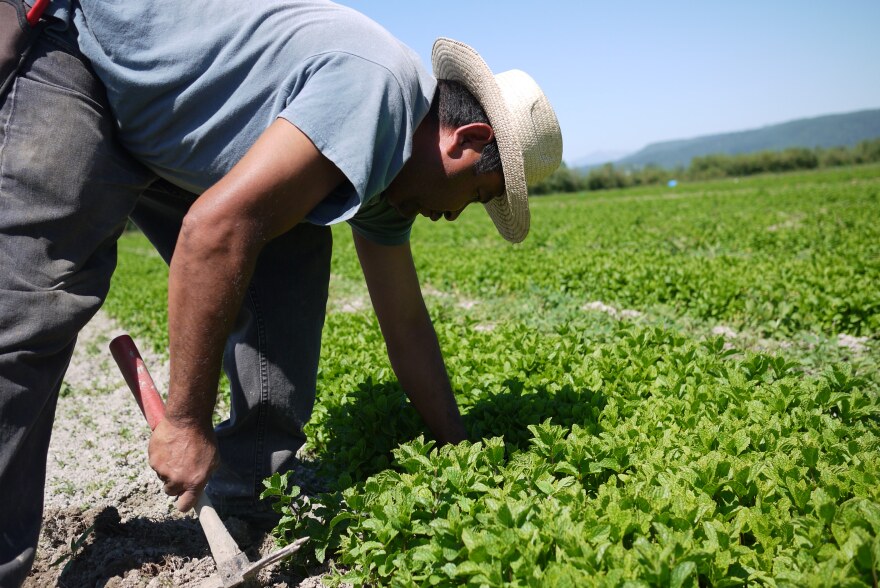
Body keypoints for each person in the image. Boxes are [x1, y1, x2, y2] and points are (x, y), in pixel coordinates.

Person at [0, 0, 562, 584]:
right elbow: (213, 233)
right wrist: (187, 423)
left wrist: (461, 455)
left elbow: (406, 327)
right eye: (475, 194)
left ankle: (244, 500)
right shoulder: (377, 95)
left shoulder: (392, 181)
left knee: (291, 241)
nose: (453, 215)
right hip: (85, 59)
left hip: (178, 127)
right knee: (29, 314)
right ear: (466, 140)